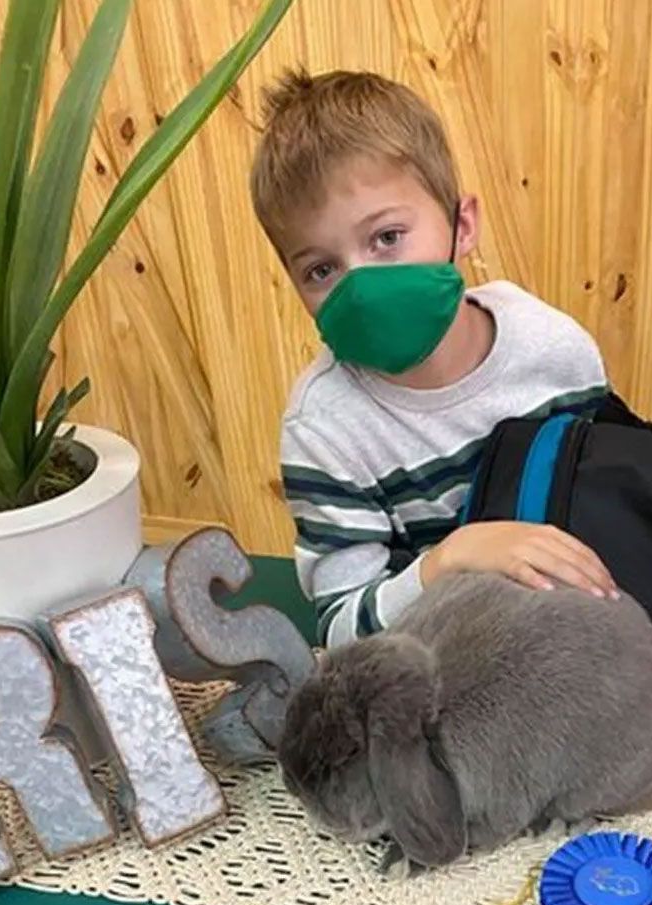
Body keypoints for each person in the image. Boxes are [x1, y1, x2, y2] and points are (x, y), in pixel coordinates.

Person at [250, 68, 617, 647]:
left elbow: (608, 498)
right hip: (436, 653)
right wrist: (447, 562)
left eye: (387, 238)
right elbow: (343, 632)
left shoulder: (554, 348)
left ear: (462, 225)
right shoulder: (323, 426)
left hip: (564, 627)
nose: (362, 287)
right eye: (321, 270)